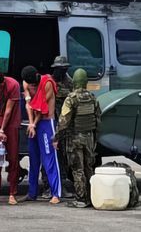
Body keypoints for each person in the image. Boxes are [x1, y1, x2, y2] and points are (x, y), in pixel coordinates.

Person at [56, 68, 100, 208]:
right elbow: (98, 119)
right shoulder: (92, 98)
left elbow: (64, 121)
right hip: (89, 138)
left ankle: (81, 199)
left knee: (77, 168)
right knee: (88, 167)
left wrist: (56, 137)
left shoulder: (71, 98)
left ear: (74, 82)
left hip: (75, 138)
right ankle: (92, 196)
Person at [22, 65, 62, 204]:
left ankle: (56, 193)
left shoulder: (47, 83)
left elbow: (41, 108)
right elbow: (28, 104)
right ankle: (32, 193)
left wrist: (34, 123)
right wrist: (31, 124)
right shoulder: (26, 83)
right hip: (34, 124)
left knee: (49, 158)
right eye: (30, 85)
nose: (31, 87)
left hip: (46, 122)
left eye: (33, 85)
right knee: (33, 159)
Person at [0, 62, 22, 205]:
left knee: (13, 157)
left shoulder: (13, 85)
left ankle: (12, 192)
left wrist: (2, 129)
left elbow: (8, 111)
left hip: (11, 123)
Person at [50, 55, 74, 196]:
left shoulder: (69, 82)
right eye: (59, 69)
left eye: (64, 69)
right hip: (51, 122)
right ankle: (48, 185)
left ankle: (62, 185)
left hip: (64, 124)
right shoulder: (49, 81)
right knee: (50, 155)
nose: (62, 71)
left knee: (64, 156)